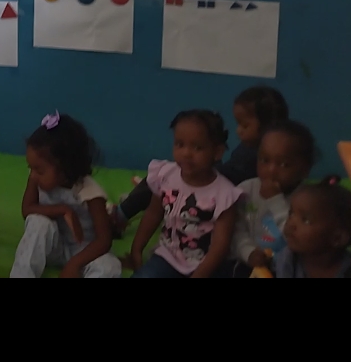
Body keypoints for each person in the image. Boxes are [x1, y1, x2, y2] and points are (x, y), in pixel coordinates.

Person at [109, 84, 290, 234]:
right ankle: (127, 209)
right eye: (180, 144)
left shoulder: (259, 156)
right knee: (163, 177)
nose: (238, 130)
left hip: (216, 188)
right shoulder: (249, 147)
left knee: (162, 176)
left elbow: (234, 179)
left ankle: (119, 216)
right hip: (220, 178)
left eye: (245, 125)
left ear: (267, 126)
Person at [10, 110, 121, 279]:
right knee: (38, 222)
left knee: (110, 267)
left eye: (39, 170)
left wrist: (74, 264)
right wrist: (62, 209)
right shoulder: (35, 179)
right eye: (30, 168)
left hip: (85, 252)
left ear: (65, 169)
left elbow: (104, 240)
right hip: (54, 247)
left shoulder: (90, 192)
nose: (33, 175)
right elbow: (27, 209)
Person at [128, 110, 239, 279]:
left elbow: (220, 246)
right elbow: (153, 213)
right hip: (168, 257)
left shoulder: (224, 194)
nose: (186, 153)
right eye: (179, 144)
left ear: (217, 152)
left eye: (197, 147)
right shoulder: (166, 175)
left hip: (206, 265)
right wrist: (136, 249)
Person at [226, 121, 316, 276]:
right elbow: (235, 230)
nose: (271, 170)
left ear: (305, 169)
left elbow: (297, 237)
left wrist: (275, 201)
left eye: (284, 164)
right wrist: (249, 252)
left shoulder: (308, 199)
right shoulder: (245, 190)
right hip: (247, 263)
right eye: (264, 160)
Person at [274, 182, 351, 278]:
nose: (290, 224)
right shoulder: (287, 260)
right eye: (291, 214)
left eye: (306, 220)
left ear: (337, 238)